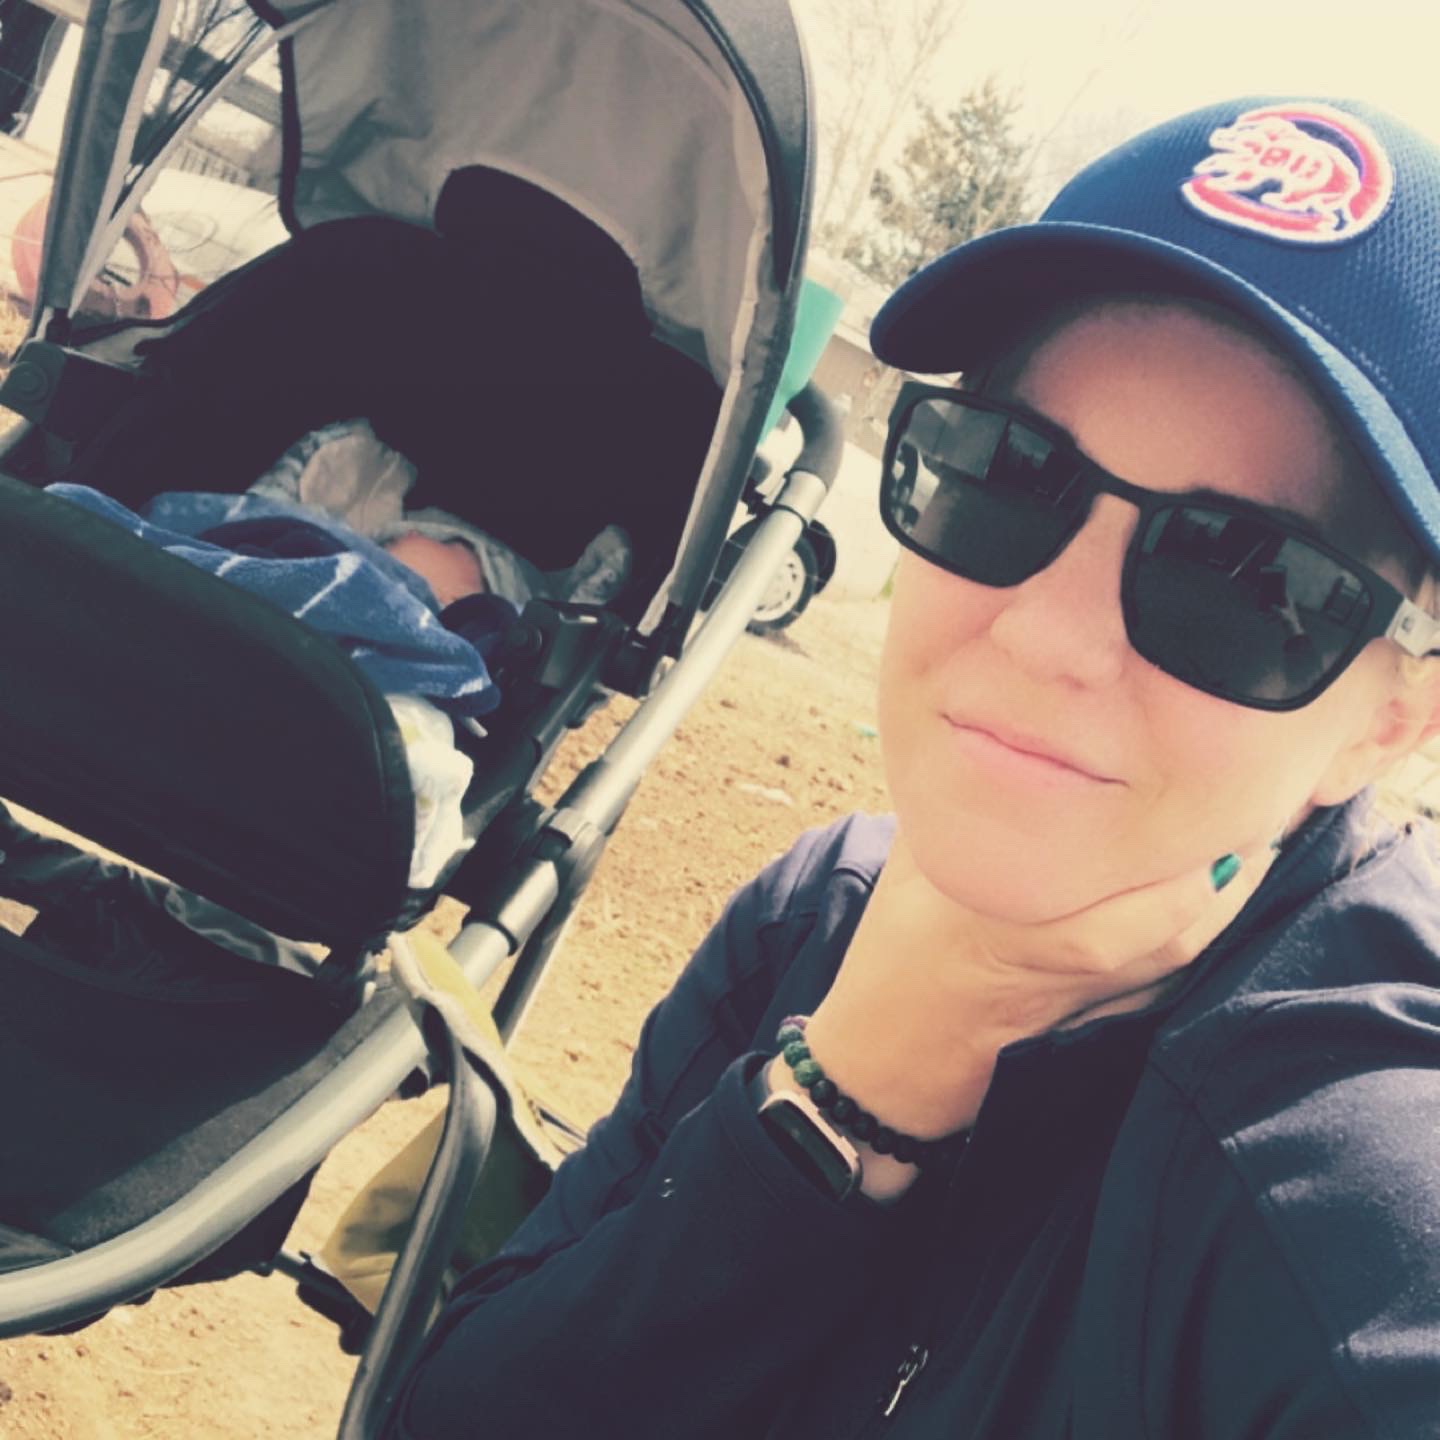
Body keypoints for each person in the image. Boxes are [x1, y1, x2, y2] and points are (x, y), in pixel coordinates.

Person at [388, 96, 1440, 1438]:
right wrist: (851, 1094)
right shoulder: (819, 914)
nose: (1048, 634)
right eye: (1006, 471)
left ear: (1393, 720)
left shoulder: (1357, 1202)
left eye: (1248, 578)